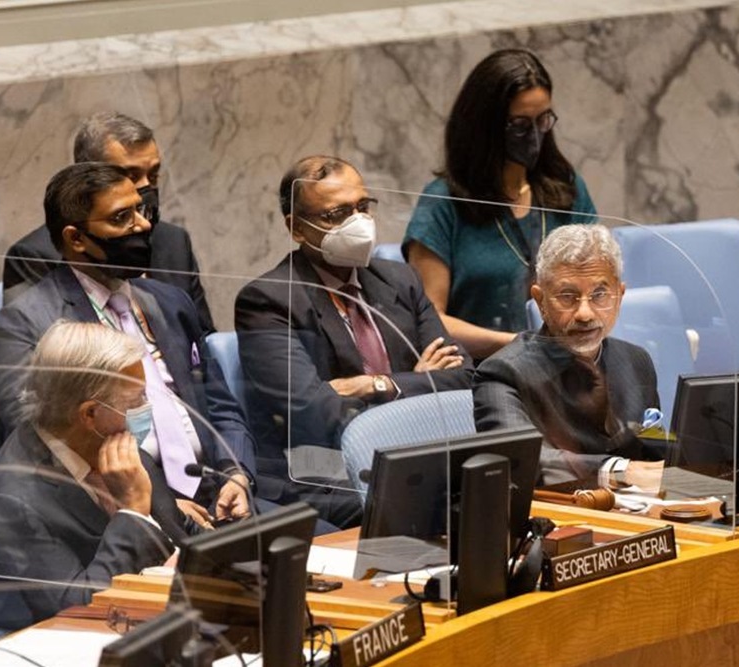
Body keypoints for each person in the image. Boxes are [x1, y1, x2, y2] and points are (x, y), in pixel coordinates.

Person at [0, 162, 256, 530]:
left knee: (318, 551)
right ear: (76, 238)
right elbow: (50, 441)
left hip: (217, 490)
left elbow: (219, 402)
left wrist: (236, 474)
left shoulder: (170, 301)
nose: (143, 225)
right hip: (128, 509)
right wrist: (159, 505)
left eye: (140, 211)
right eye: (121, 218)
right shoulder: (24, 325)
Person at [235, 156, 471, 527]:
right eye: (336, 214)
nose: (357, 222)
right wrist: (417, 381)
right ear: (296, 228)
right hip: (323, 472)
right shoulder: (269, 299)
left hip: (413, 458)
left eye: (363, 207)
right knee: (437, 508)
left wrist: (379, 385)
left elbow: (463, 377)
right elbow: (314, 412)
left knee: (490, 486)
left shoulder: (399, 279)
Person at [0, 321, 192, 631]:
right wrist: (132, 513)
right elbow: (77, 610)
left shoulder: (114, 443)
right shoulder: (10, 502)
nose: (146, 409)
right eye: (134, 402)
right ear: (89, 414)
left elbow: (181, 534)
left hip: (171, 614)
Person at [404, 48, 597, 360]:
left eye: (542, 120)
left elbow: (598, 285)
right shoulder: (443, 203)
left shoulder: (567, 188)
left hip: (570, 363)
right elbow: (429, 319)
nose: (534, 136)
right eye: (520, 125)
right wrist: (519, 345)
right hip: (483, 371)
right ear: (484, 126)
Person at [473, 224, 662, 486]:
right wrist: (617, 471)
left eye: (599, 294)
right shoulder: (502, 373)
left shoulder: (636, 360)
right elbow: (521, 462)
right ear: (540, 301)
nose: (585, 313)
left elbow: (655, 448)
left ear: (619, 296)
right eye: (567, 296)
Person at [3, 111, 214, 333]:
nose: (144, 190)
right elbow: (42, 347)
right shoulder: (32, 255)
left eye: (152, 176)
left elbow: (204, 338)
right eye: (130, 177)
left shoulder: (173, 241)